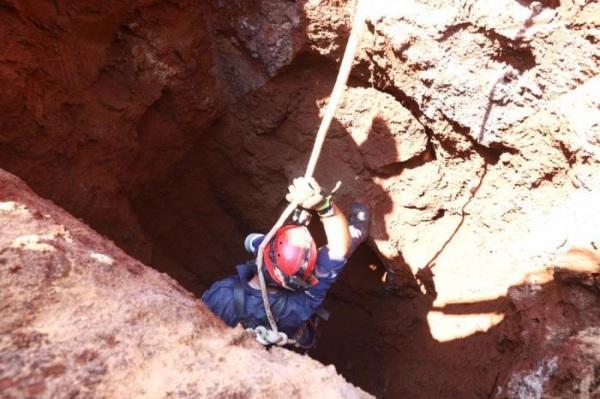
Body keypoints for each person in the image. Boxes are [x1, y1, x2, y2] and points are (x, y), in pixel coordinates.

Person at [202, 176, 370, 351]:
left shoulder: (222, 294)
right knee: (345, 246)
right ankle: (357, 231)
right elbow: (339, 249)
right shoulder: (307, 296)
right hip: (290, 342)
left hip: (240, 354)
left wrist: (260, 243)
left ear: (263, 256)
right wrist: (324, 206)